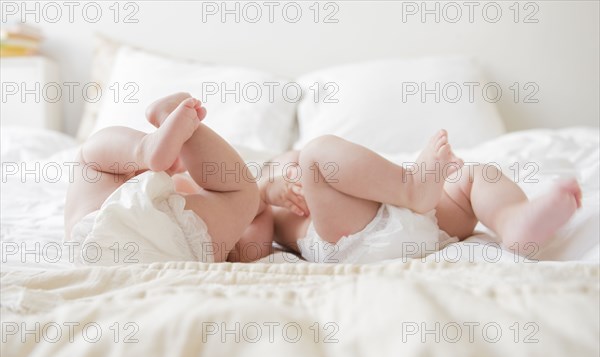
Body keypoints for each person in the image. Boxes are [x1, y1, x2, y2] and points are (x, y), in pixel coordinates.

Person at [257, 131, 582, 263]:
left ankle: (512, 220)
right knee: (318, 150)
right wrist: (264, 191)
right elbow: (243, 230)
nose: (299, 172)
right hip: (348, 238)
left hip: (420, 223)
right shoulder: (269, 209)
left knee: (473, 175)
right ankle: (411, 185)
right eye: (291, 166)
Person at [64, 92, 264, 264]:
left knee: (89, 159)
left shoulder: (133, 197)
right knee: (241, 194)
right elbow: (248, 252)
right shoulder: (190, 210)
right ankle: (155, 145)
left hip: (96, 244)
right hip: (179, 248)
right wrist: (263, 204)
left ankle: (144, 148)